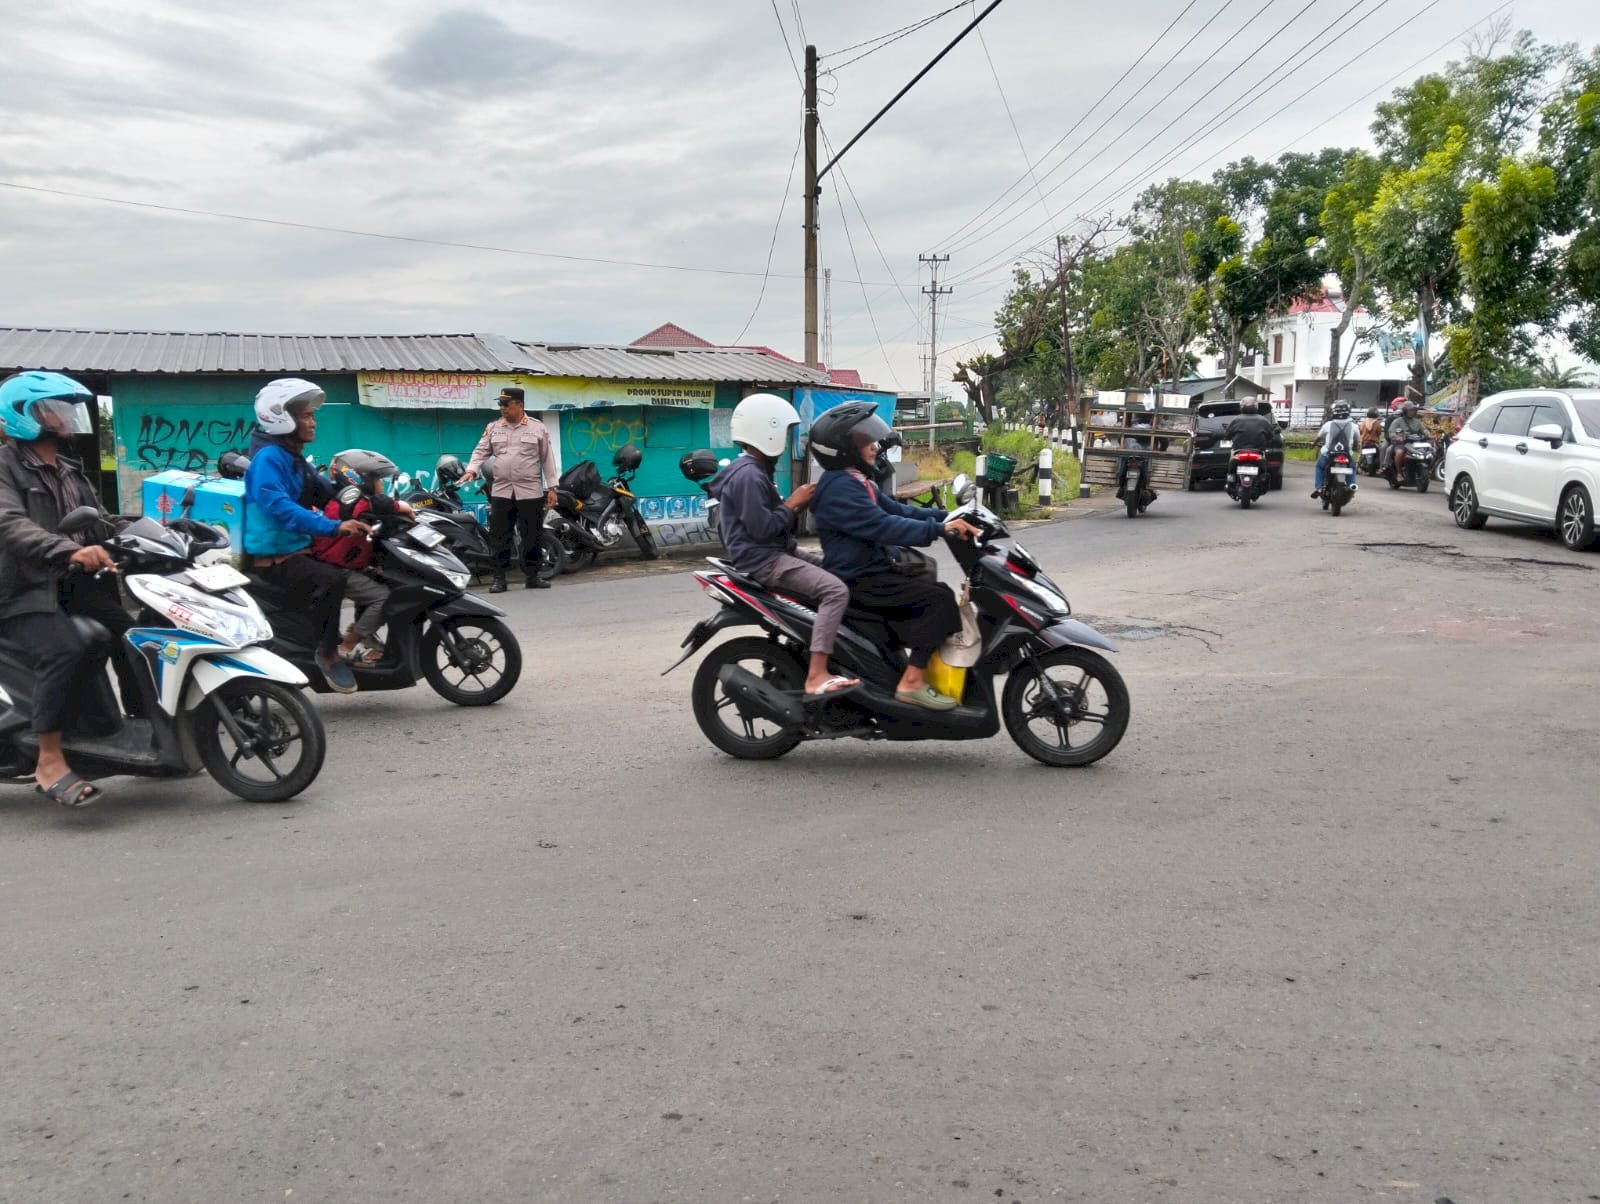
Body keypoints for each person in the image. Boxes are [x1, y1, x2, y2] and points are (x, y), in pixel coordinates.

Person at [0, 371, 132, 806]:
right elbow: (11, 525)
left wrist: (156, 530)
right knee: (63, 648)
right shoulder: (4, 468)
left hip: (68, 584)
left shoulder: (70, 470)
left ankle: (139, 726)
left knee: (134, 633)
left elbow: (100, 520)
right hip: (21, 589)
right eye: (53, 408)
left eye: (66, 407)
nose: (65, 416)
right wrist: (66, 550)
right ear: (23, 416)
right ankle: (49, 758)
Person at [808, 402, 980, 712]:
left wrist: (947, 515)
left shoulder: (856, 481)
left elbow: (898, 510)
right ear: (844, 448)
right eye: (865, 442)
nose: (874, 448)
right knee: (938, 600)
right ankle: (911, 682)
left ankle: (899, 668)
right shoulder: (839, 489)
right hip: (859, 579)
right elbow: (883, 526)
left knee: (932, 589)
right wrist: (939, 530)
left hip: (871, 571)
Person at [709, 393, 858, 698]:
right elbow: (762, 530)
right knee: (835, 590)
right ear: (769, 430)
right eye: (786, 432)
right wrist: (793, 504)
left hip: (777, 552)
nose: (789, 439)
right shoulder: (749, 475)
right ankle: (816, 674)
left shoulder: (755, 469)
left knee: (842, 570)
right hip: (764, 560)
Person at [243, 378, 369, 694]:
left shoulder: (292, 456)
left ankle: (337, 638)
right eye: (305, 416)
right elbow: (281, 509)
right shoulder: (269, 458)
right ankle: (327, 653)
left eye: (312, 415)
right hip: (274, 558)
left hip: (296, 550)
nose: (313, 423)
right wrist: (332, 526)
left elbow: (327, 492)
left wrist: (372, 505)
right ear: (280, 416)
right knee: (333, 580)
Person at [312, 449, 414, 666]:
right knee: (383, 599)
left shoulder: (348, 497)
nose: (381, 484)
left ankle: (365, 636)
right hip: (338, 568)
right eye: (377, 478)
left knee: (392, 586)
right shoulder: (355, 499)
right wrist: (406, 508)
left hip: (348, 565)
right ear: (361, 478)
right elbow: (388, 505)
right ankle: (347, 646)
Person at [459, 386, 558, 593]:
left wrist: (552, 487)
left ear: (520, 405)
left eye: (506, 404)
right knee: (499, 536)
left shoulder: (537, 428)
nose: (502, 409)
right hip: (501, 491)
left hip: (530, 491)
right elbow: (480, 451)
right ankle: (499, 578)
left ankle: (532, 576)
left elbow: (547, 458)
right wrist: (471, 470)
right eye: (500, 405)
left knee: (532, 535)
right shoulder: (494, 428)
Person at [1310, 401, 1361, 498]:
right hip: (1346, 454)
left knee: (1319, 467)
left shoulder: (1328, 424)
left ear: (1334, 412)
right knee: (1352, 468)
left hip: (1328, 454)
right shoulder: (1353, 426)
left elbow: (1319, 437)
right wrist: (1354, 448)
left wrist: (1314, 444)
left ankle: (1319, 487)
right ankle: (1351, 485)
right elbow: (1357, 441)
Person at [1384, 400, 1428, 477]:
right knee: (1399, 453)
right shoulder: (1397, 421)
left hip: (1415, 444)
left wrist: (1430, 435)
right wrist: (1397, 437)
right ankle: (1399, 473)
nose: (1412, 412)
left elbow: (1424, 430)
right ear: (1405, 411)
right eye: (1410, 410)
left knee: (1428, 452)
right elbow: (1391, 432)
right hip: (1402, 443)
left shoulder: (1417, 421)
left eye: (1413, 410)